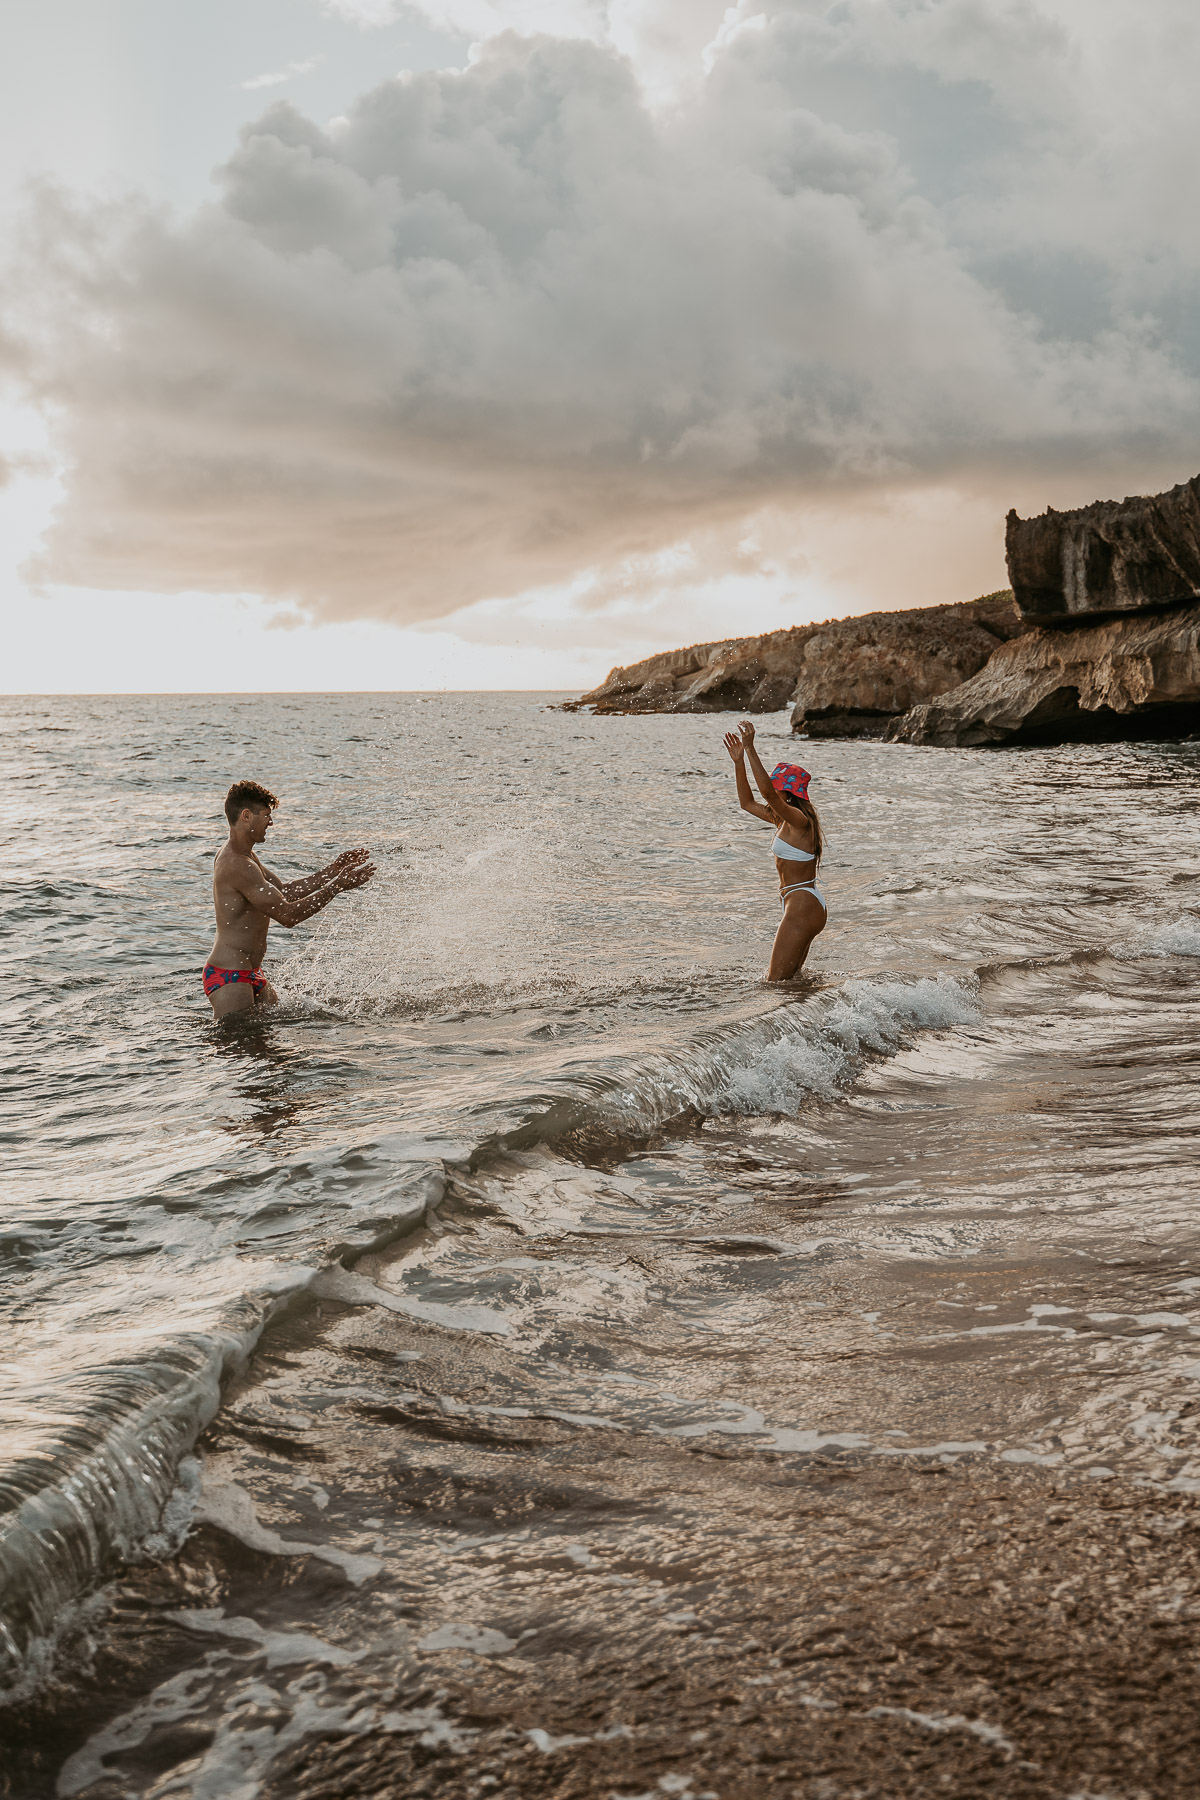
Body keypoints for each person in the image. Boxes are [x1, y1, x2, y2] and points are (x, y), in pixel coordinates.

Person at [204, 780, 375, 1017]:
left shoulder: (245, 856)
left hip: (250, 973)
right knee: (239, 1048)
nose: (270, 822)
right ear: (246, 815)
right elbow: (288, 916)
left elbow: (284, 892)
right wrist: (336, 887)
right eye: (265, 815)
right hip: (229, 978)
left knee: (272, 1045)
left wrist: (333, 870)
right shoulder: (236, 865)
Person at [723, 720, 826, 981]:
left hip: (802, 905)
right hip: (799, 902)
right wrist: (739, 763)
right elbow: (747, 803)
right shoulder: (783, 820)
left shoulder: (801, 822)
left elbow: (766, 794)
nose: (771, 787)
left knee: (774, 983)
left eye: (777, 784)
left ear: (789, 795)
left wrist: (750, 748)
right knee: (794, 982)